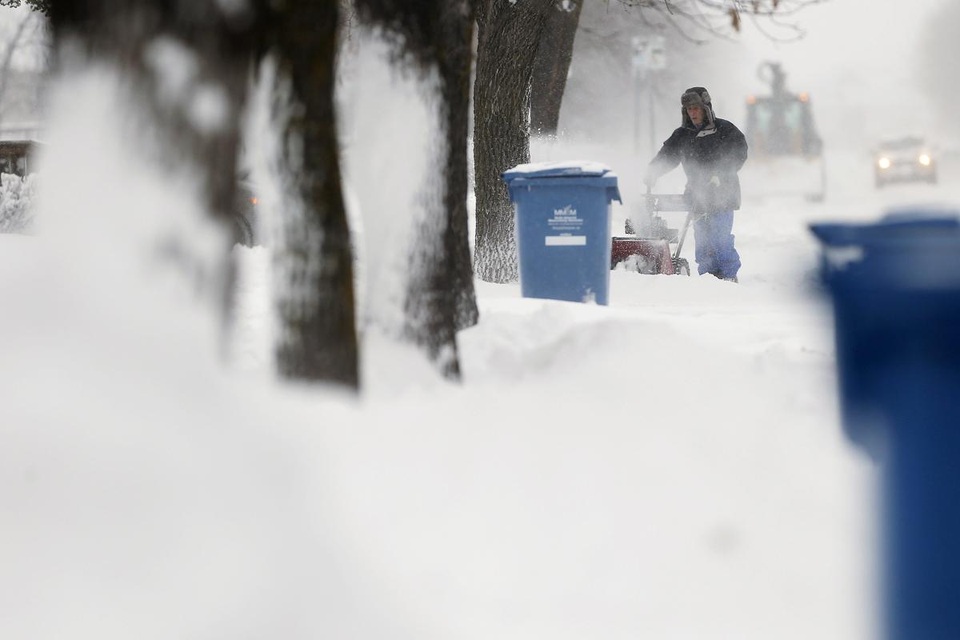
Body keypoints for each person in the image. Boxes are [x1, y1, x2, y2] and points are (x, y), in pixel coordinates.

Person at [644, 86, 748, 282]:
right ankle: (708, 278)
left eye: (696, 108)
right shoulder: (683, 135)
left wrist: (721, 173)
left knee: (720, 238)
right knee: (702, 241)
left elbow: (739, 153)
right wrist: (653, 172)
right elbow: (667, 156)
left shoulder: (725, 130)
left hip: (723, 194)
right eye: (689, 109)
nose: (692, 113)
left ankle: (728, 276)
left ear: (706, 108)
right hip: (697, 196)